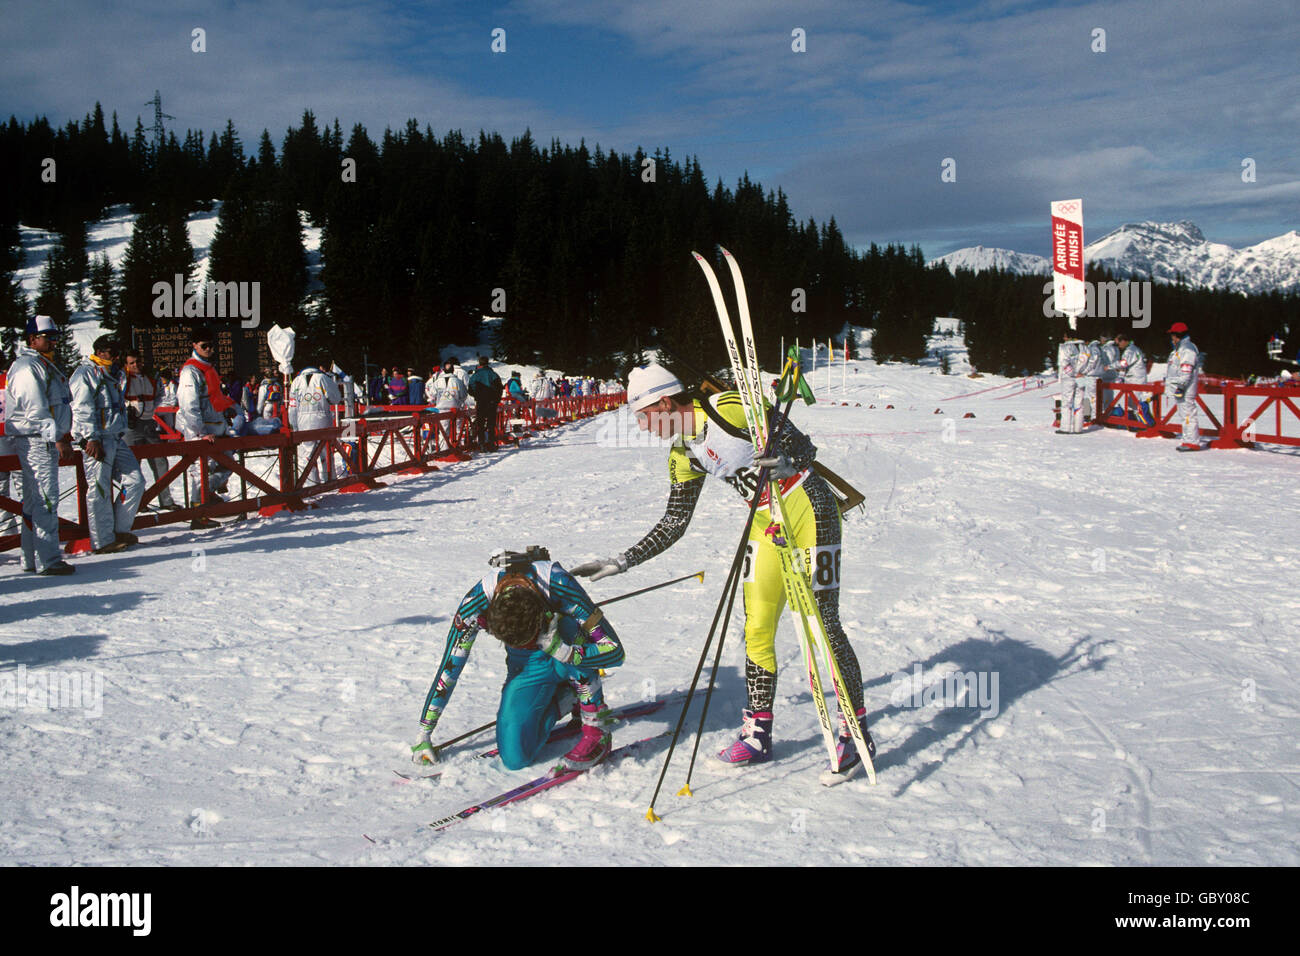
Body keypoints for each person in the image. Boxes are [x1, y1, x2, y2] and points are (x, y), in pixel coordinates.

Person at [571, 364, 874, 780]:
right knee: (756, 630)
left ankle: (855, 733)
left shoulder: (725, 408)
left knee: (821, 625)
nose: (643, 427)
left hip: (809, 509)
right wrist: (623, 560)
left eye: (643, 417)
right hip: (766, 522)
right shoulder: (682, 454)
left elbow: (804, 446)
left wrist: (786, 460)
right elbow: (675, 521)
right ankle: (757, 734)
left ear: (664, 402)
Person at [412, 551, 625, 771]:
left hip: (566, 644)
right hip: (527, 663)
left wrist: (566, 653)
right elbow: (450, 668)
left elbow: (615, 652)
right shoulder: (475, 605)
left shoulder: (558, 583)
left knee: (569, 628)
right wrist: (424, 732)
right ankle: (567, 698)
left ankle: (597, 732)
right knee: (515, 758)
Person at [4, 315, 75, 574]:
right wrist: (57, 437)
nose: (53, 341)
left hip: (41, 438)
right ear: (32, 339)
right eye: (48, 337)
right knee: (45, 499)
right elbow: (35, 409)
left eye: (56, 336)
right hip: (37, 439)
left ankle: (32, 558)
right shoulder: (27, 368)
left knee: (34, 502)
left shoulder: (43, 365)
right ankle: (48, 559)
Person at [70, 336, 145, 554]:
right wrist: (89, 438)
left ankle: (119, 529)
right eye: (112, 351)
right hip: (97, 440)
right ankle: (102, 540)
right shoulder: (85, 374)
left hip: (115, 436)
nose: (116, 356)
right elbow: (81, 408)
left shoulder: (113, 374)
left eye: (117, 351)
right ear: (100, 352)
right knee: (99, 489)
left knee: (135, 481)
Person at [176, 326, 235, 528]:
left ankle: (207, 496)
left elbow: (215, 399)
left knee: (228, 462)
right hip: (202, 432)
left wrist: (228, 411)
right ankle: (198, 515)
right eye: (204, 346)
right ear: (194, 346)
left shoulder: (209, 369)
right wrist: (200, 432)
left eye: (211, 345)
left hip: (217, 428)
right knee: (200, 473)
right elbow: (188, 405)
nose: (209, 349)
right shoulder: (190, 372)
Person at [121, 349, 178, 509]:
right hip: (130, 426)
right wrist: (127, 409)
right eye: (131, 363)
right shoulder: (123, 378)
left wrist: (152, 407)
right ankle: (136, 502)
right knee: (132, 467)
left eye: (137, 362)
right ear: (126, 364)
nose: (135, 365)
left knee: (160, 461)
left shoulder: (151, 377)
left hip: (149, 423)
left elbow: (160, 393)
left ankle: (166, 500)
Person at [288, 359, 342, 481]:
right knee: (326, 450)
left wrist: (295, 427)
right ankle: (330, 479)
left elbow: (292, 408)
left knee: (308, 454)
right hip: (322, 418)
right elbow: (336, 399)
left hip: (303, 421)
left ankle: (312, 483)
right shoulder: (323, 378)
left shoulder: (296, 381)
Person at [1165, 321, 1203, 451]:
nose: (1172, 339)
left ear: (1177, 335)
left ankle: (1192, 442)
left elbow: (1186, 370)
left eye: (1173, 336)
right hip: (1180, 388)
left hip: (1185, 389)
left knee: (1188, 414)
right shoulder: (1180, 349)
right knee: (1184, 414)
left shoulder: (1187, 349)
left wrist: (1181, 386)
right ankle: (1188, 440)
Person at [1112, 332, 1152, 428]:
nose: (1119, 346)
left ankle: (1143, 424)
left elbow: (1124, 363)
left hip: (1136, 379)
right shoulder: (1132, 349)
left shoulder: (1130, 351)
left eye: (1119, 343)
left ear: (1124, 341)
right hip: (1133, 378)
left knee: (1136, 402)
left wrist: (1109, 366)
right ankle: (1133, 423)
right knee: (1131, 402)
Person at [467, 356, 503, 451]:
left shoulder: (475, 376)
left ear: (479, 363)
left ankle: (481, 444)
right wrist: (496, 399)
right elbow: (499, 388)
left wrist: (477, 396)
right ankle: (491, 444)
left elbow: (470, 389)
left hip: (481, 402)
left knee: (481, 424)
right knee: (491, 423)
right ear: (488, 363)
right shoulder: (493, 374)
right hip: (491, 402)